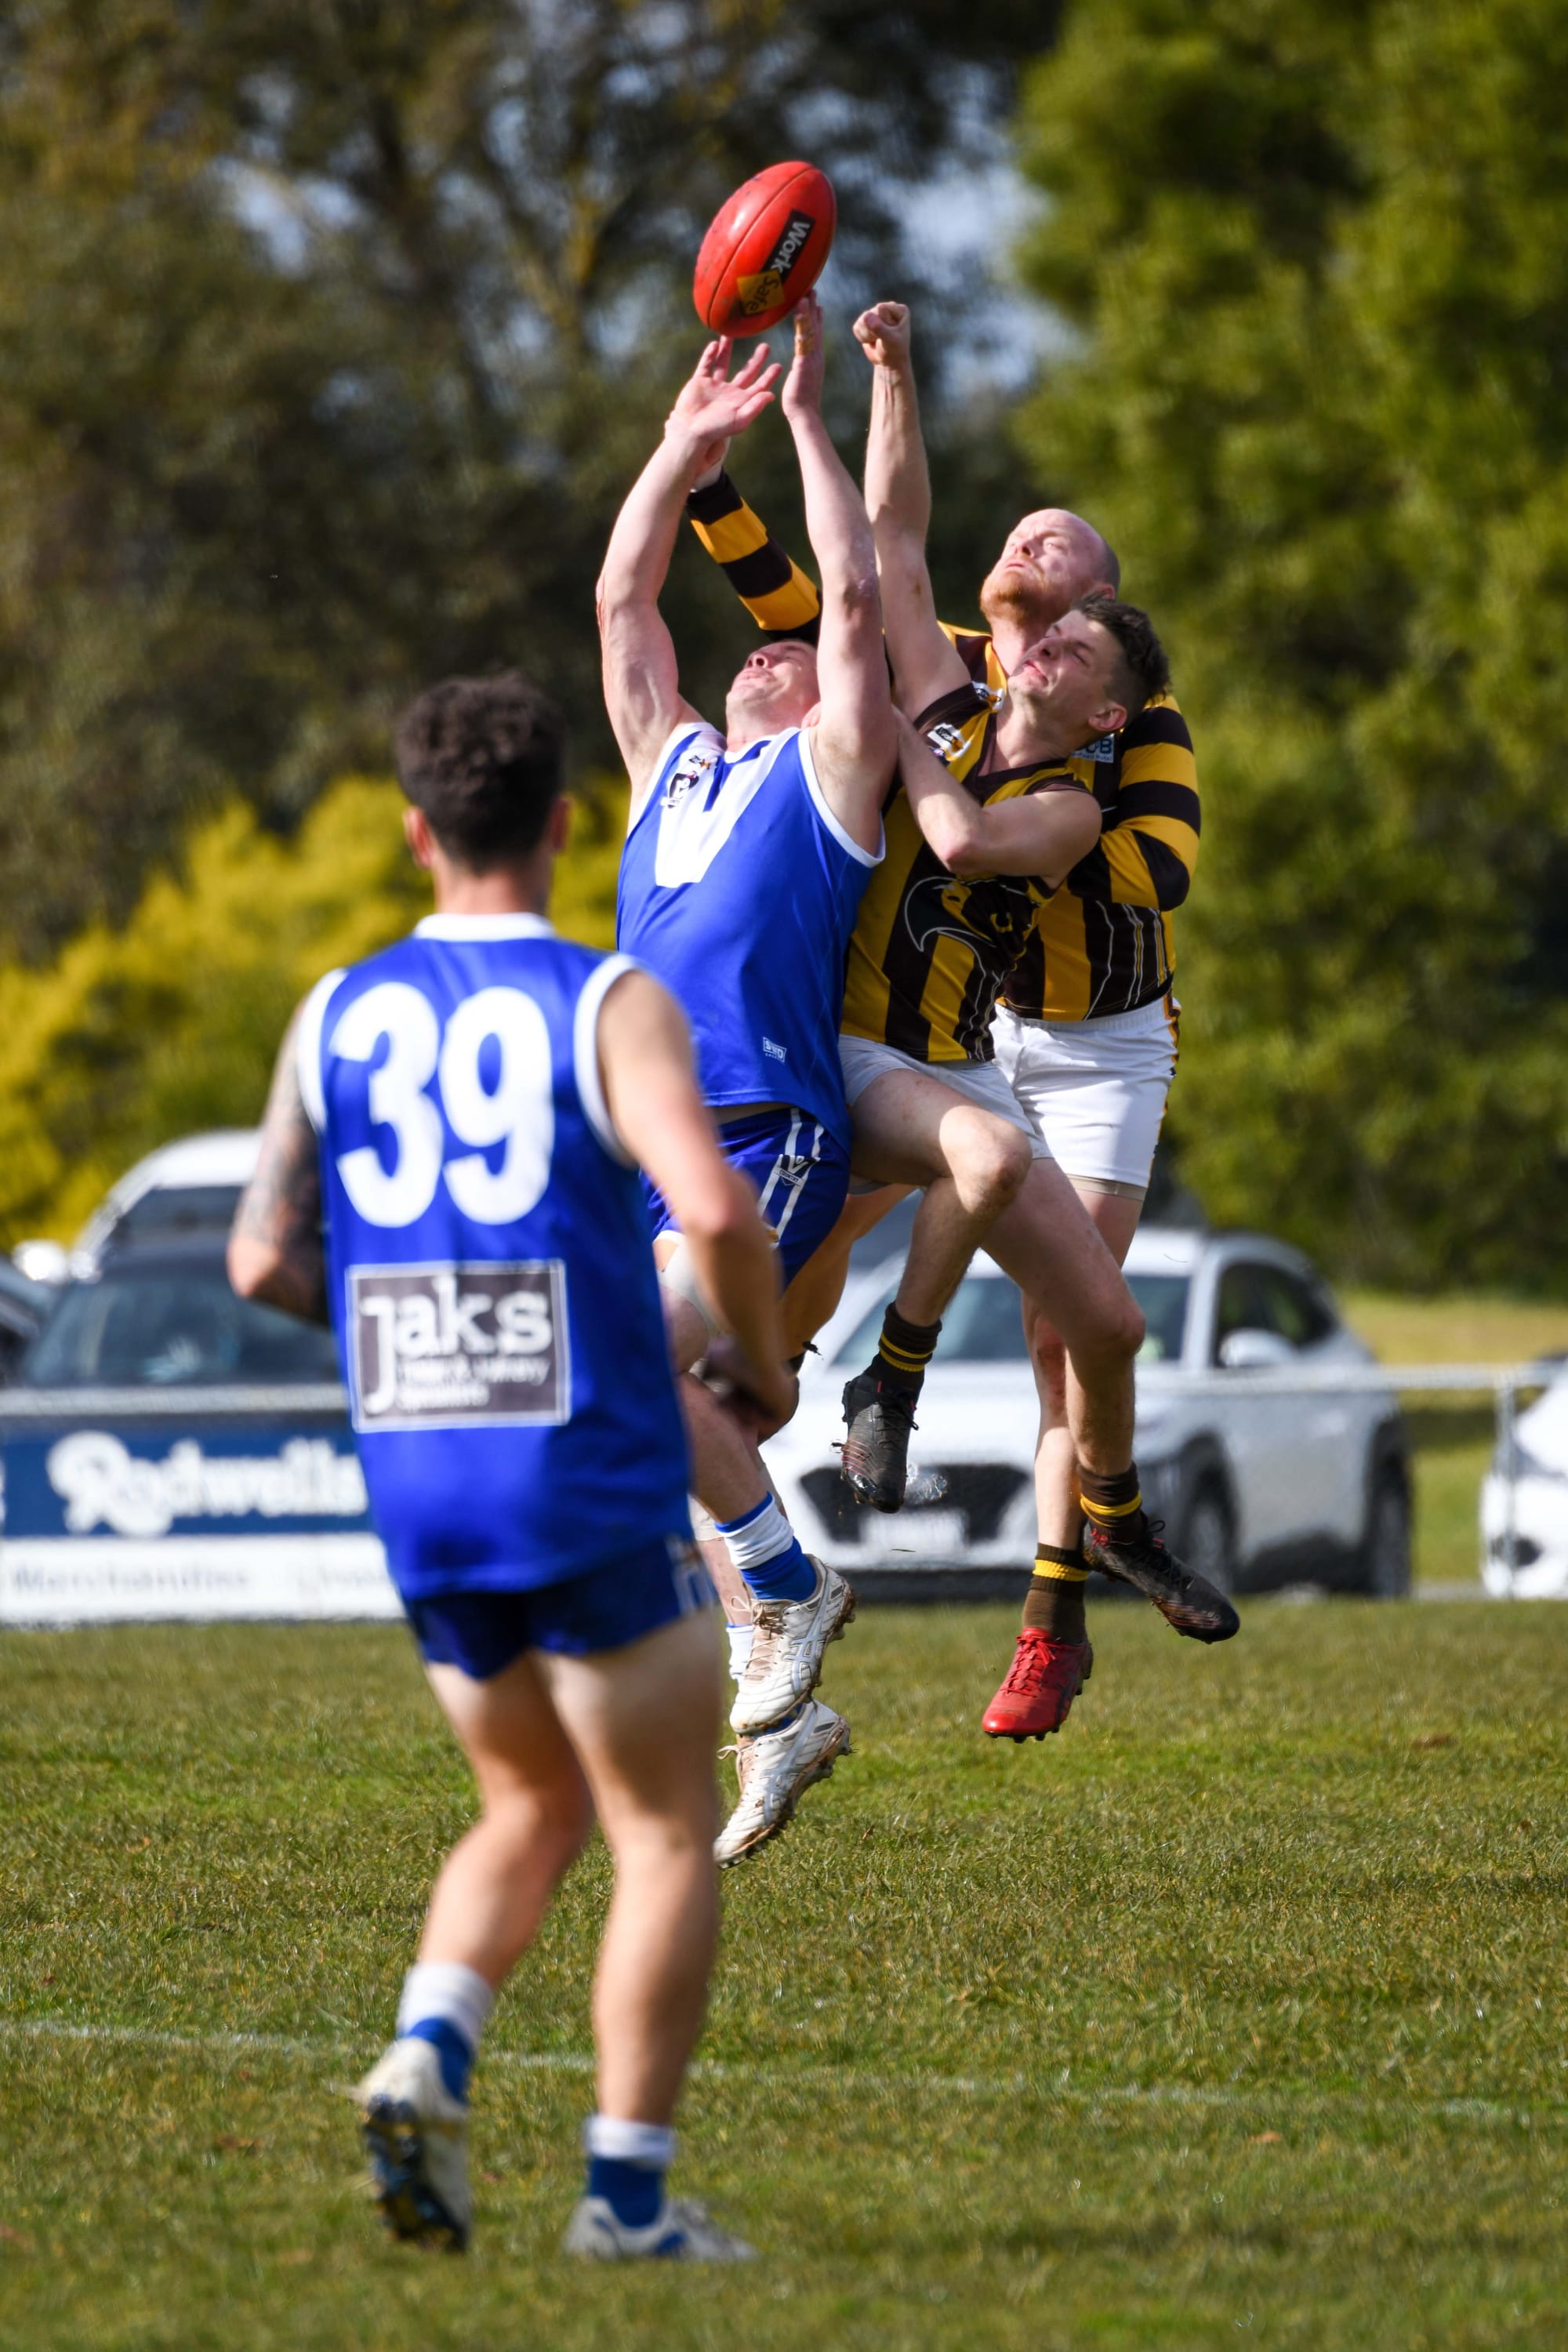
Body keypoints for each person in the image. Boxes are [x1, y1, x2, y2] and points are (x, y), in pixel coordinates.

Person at [229, 670, 791, 2259]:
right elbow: (728, 1214)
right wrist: (749, 1356)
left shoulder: (332, 1010)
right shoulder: (606, 1001)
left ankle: (432, 2045)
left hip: (424, 1477)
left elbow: (262, 1258)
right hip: (584, 1460)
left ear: (416, 832)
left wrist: (398, 1304)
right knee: (665, 1826)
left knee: (523, 1800)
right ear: (563, 825)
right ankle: (623, 2203)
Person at [685, 298, 1211, 1737]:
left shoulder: (1072, 791)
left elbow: (1007, 852)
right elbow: (885, 548)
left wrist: (912, 745)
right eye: (1028, 558)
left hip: (1021, 1046)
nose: (1038, 594)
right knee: (765, 1351)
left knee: (1101, 1328)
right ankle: (788, 1521)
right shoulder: (944, 676)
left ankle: (1100, 1520)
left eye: (1072, 594)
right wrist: (875, 385)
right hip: (878, 1065)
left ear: (1102, 686)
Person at [598, 293, 892, 1861]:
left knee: (632, 1365)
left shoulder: (831, 773)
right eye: (753, 646)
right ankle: (787, 1707)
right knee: (679, 1405)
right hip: (655, 1148)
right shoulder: (674, 769)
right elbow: (622, 602)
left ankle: (786, 1598)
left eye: (799, 649)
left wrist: (798, 424)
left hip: (768, 1131)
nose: (770, 641)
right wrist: (673, 446)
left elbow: (849, 591)